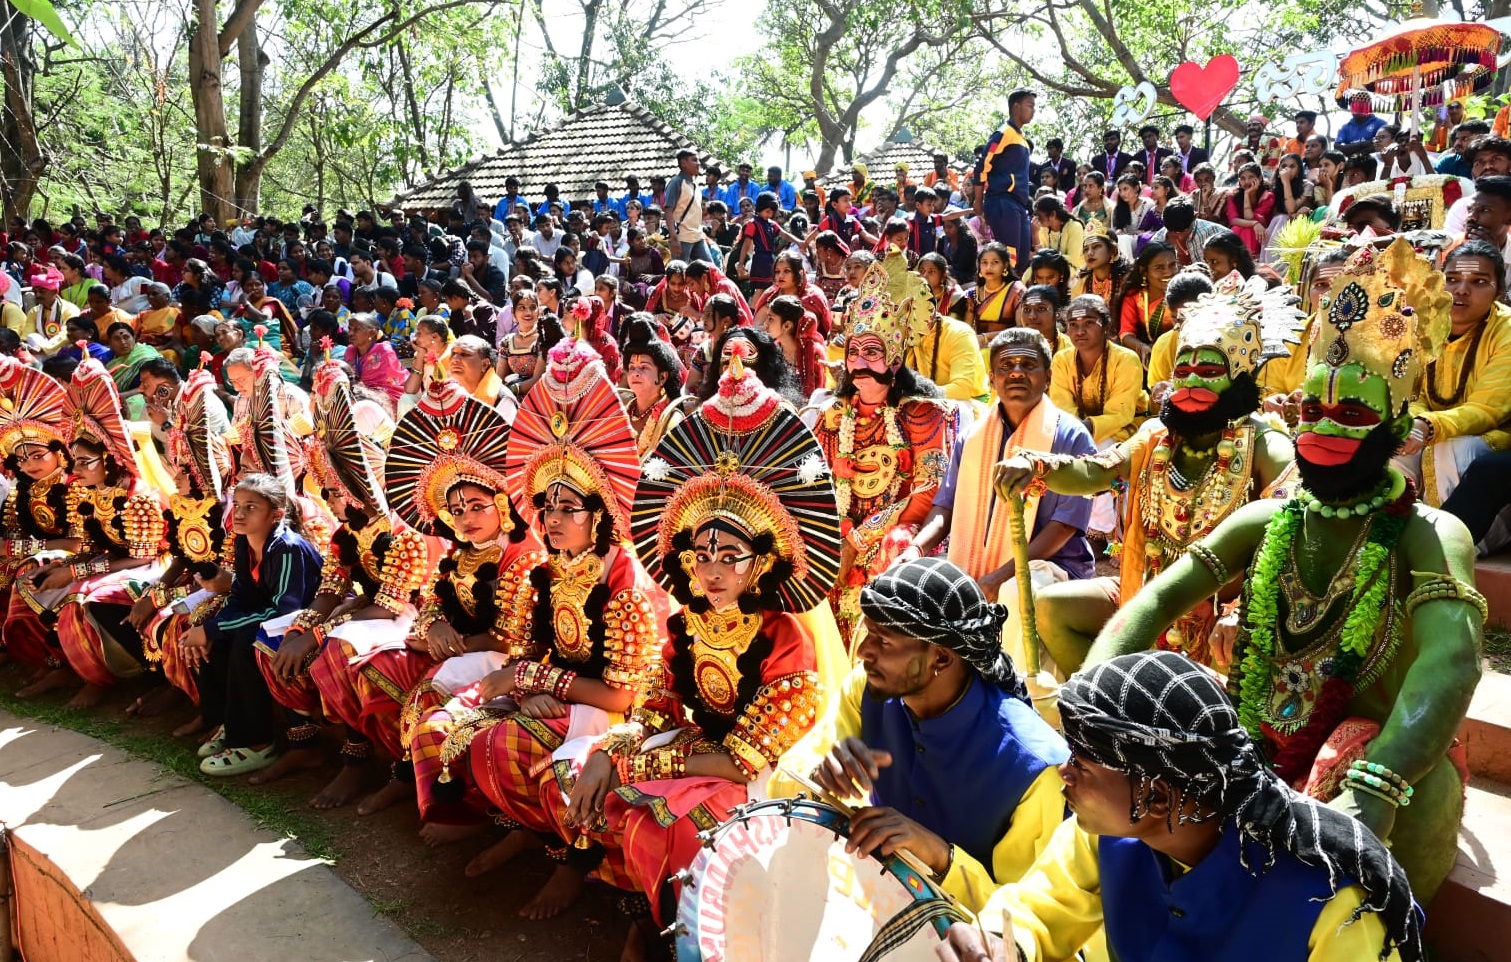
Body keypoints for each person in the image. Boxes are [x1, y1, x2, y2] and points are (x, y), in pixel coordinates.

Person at [1074, 239, 1482, 902]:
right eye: (1313, 412)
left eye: (1351, 415)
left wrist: (1374, 788)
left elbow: (1452, 662)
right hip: (1254, 731)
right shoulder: (1267, 519)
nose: (1324, 430)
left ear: (1396, 423)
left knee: (1427, 785)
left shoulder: (1431, 534)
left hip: (1374, 754)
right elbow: (1155, 603)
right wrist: (1093, 699)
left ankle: (1385, 932)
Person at [552, 356, 839, 955]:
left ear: (762, 562)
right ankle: (647, 921)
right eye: (701, 557)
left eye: (731, 557)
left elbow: (744, 762)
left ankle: (700, 938)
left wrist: (632, 767)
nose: (712, 572)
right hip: (702, 755)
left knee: (671, 820)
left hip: (761, 778)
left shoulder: (786, 638)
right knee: (601, 783)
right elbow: (653, 711)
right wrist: (609, 752)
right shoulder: (688, 623)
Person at [938, 650, 1424, 962]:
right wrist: (998, 943)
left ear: (1156, 795)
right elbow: (1039, 906)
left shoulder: (1331, 902)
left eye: (1082, 763)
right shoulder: (1106, 835)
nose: (1063, 772)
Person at [448, 338, 665, 919]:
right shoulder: (547, 570)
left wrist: (540, 683)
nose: (553, 520)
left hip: (613, 713)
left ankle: (576, 864)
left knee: (516, 749)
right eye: (547, 508)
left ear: (600, 513)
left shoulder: (624, 583)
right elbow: (526, 650)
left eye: (571, 509)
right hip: (564, 699)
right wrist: (527, 689)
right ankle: (534, 834)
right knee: (474, 734)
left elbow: (623, 695)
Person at [997, 271, 1302, 675]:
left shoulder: (1266, 444)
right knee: (1051, 608)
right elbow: (1093, 473)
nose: (1191, 382)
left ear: (1238, 379)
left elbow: (1291, 535)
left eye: (1209, 372)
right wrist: (1035, 464)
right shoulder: (1157, 436)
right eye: (1183, 371)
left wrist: (1242, 610)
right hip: (1144, 593)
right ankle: (1103, 701)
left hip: (1224, 614)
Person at [908, 328, 1095, 683]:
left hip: (1053, 565)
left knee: (1015, 591)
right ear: (992, 378)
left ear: (1048, 376)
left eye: (1028, 365)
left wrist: (1000, 577)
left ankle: (1018, 691)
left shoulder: (1071, 436)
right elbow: (945, 507)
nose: (1016, 373)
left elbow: (1065, 526)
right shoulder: (972, 436)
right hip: (977, 564)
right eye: (1006, 366)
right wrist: (916, 548)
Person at [812, 251, 952, 645]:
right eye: (853, 352)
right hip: (839, 528)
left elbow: (927, 494)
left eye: (871, 353)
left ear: (894, 359)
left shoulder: (922, 413)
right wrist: (836, 535)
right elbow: (816, 485)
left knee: (897, 546)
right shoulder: (832, 415)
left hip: (898, 530)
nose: (859, 364)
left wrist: (858, 541)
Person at [13, 359, 167, 710]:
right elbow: (85, 544)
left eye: (85, 462)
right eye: (75, 461)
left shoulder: (138, 496)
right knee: (32, 579)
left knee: (80, 597)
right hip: (110, 561)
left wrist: (75, 572)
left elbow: (143, 555)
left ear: (109, 459)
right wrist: (57, 566)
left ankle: (99, 679)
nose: (76, 469)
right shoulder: (84, 492)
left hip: (147, 564)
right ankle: (63, 666)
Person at [177, 472, 324, 776]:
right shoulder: (244, 543)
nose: (240, 514)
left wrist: (213, 629)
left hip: (303, 621)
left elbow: (283, 609)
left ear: (276, 515)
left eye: (251, 507)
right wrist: (210, 629)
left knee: (245, 642)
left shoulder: (288, 548)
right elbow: (241, 595)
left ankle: (256, 744)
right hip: (274, 618)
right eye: (238, 505)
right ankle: (226, 722)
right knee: (215, 635)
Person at [1394, 240, 1511, 506]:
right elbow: (1411, 394)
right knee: (1391, 439)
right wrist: (1413, 423)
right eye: (1452, 279)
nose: (1461, 290)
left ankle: (1447, 530)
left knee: (1451, 449)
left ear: (1499, 291)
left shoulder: (1506, 331)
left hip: (1495, 437)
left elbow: (1487, 410)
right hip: (1428, 425)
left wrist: (1428, 426)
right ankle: (1390, 522)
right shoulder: (1418, 324)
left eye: (1479, 282)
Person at [0, 360, 81, 698]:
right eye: (22, 459)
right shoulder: (22, 490)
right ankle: (18, 649)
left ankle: (63, 665)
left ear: (59, 452)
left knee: (27, 570)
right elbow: (11, 531)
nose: (29, 465)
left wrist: (18, 550)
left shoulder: (74, 486)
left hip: (76, 558)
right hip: (41, 554)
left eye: (37, 455)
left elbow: (78, 543)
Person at [1051, 295, 1145, 448]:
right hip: (1075, 430)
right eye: (1073, 324)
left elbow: (1120, 415)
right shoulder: (1061, 360)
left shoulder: (1126, 359)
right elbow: (1062, 406)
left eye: (1089, 323)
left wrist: (1082, 430)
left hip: (1121, 429)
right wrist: (1075, 432)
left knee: (1095, 451)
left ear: (1106, 326)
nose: (1079, 331)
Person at [976, 90, 1037, 272]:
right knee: (1009, 259)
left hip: (1019, 204)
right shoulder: (1003, 133)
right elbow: (982, 165)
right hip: (1002, 201)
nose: (1033, 110)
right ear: (1016, 106)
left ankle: (1015, 290)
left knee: (1022, 259)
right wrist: (978, 200)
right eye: (1030, 106)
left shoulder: (1022, 139)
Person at [1116, 240, 1178, 364]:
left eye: (1172, 265)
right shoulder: (1135, 296)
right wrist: (1142, 348)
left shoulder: (1184, 293)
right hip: (1148, 356)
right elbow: (1126, 334)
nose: (1168, 272)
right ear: (1144, 271)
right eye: (1159, 267)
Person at [344, 311, 406, 407]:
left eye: (357, 330)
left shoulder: (384, 351)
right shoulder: (350, 351)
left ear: (372, 332)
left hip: (387, 397)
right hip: (359, 395)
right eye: (350, 329)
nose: (351, 333)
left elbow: (385, 387)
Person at [1032, 196, 1085, 269]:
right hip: (1049, 267)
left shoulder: (1074, 226)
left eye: (1039, 215)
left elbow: (1073, 259)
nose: (1036, 219)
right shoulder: (1043, 229)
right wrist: (1034, 234)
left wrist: (1046, 256)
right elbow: (1040, 254)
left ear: (1053, 214)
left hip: (1071, 268)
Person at [1337, 92, 1388, 156]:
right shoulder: (1345, 127)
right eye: (1354, 107)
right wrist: (1368, 143)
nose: (1356, 111)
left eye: (1361, 107)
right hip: (1351, 161)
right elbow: (1337, 148)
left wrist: (1355, 152)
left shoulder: (1381, 124)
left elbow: (1381, 146)